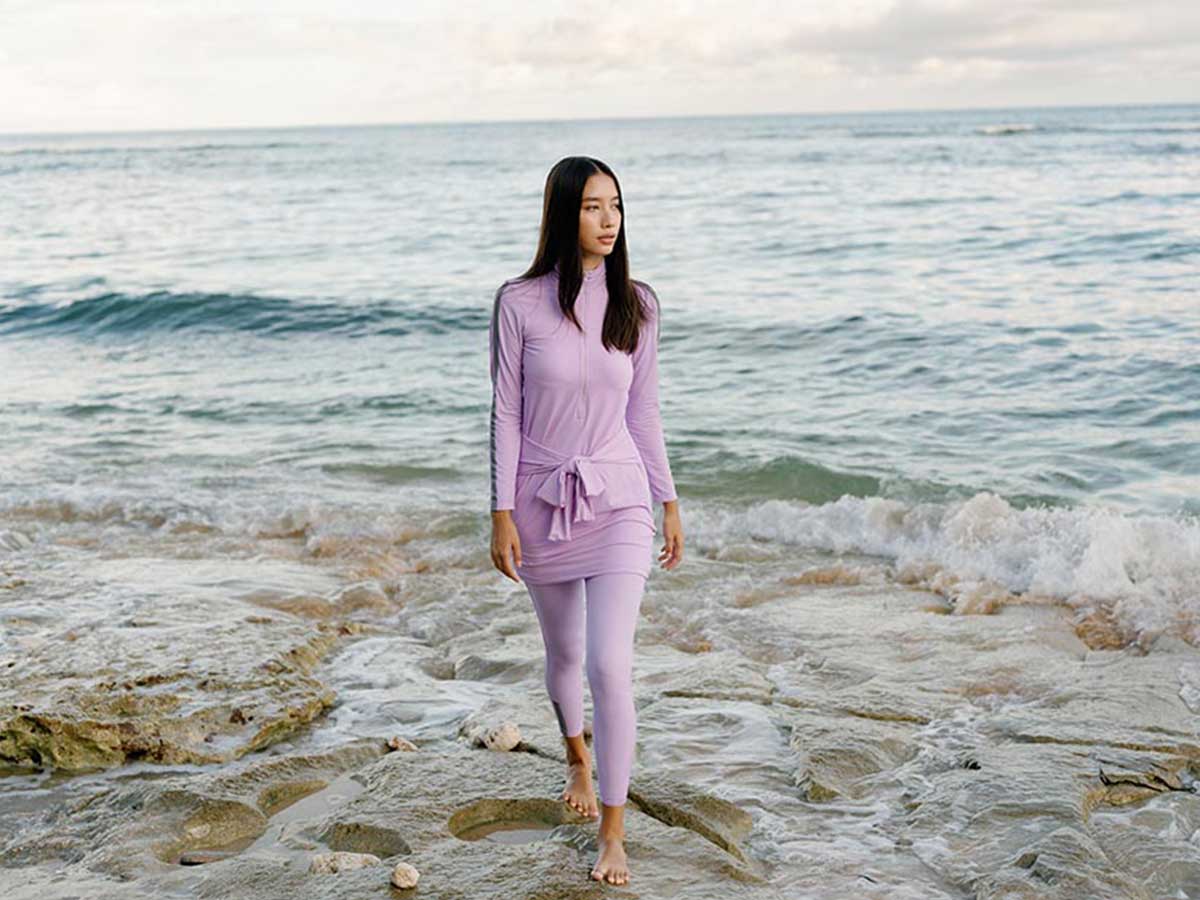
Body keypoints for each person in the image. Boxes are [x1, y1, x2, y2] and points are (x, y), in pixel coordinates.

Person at [488, 156, 684, 885]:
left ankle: (613, 831)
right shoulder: (519, 304)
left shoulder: (639, 303)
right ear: (564, 213)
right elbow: (505, 411)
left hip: (621, 496)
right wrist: (500, 512)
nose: (610, 221)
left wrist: (668, 498)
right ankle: (576, 752)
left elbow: (644, 412)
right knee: (565, 658)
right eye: (594, 207)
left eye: (617, 206)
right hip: (540, 499)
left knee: (610, 664)